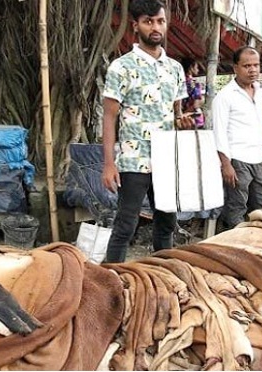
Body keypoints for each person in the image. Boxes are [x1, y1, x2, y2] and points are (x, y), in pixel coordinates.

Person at [101, 0, 193, 263]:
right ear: (136, 26)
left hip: (166, 161)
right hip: (133, 160)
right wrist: (108, 164)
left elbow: (177, 115)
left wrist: (184, 123)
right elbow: (109, 117)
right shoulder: (121, 67)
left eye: (160, 21)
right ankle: (112, 282)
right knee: (125, 226)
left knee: (166, 224)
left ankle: (163, 277)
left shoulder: (175, 68)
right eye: (148, 21)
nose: (155, 27)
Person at [213, 46, 262, 230]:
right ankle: (235, 247)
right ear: (235, 68)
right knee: (236, 207)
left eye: (256, 65)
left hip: (258, 159)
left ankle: (259, 246)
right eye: (247, 66)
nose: (253, 70)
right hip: (237, 160)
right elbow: (219, 132)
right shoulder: (225, 96)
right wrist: (226, 164)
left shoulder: (260, 92)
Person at [180, 58, 205, 128]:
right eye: (196, 67)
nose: (198, 70)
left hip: (180, 120)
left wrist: (181, 114)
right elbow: (196, 105)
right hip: (193, 119)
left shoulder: (178, 83)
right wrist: (185, 113)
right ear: (191, 68)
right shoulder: (195, 84)